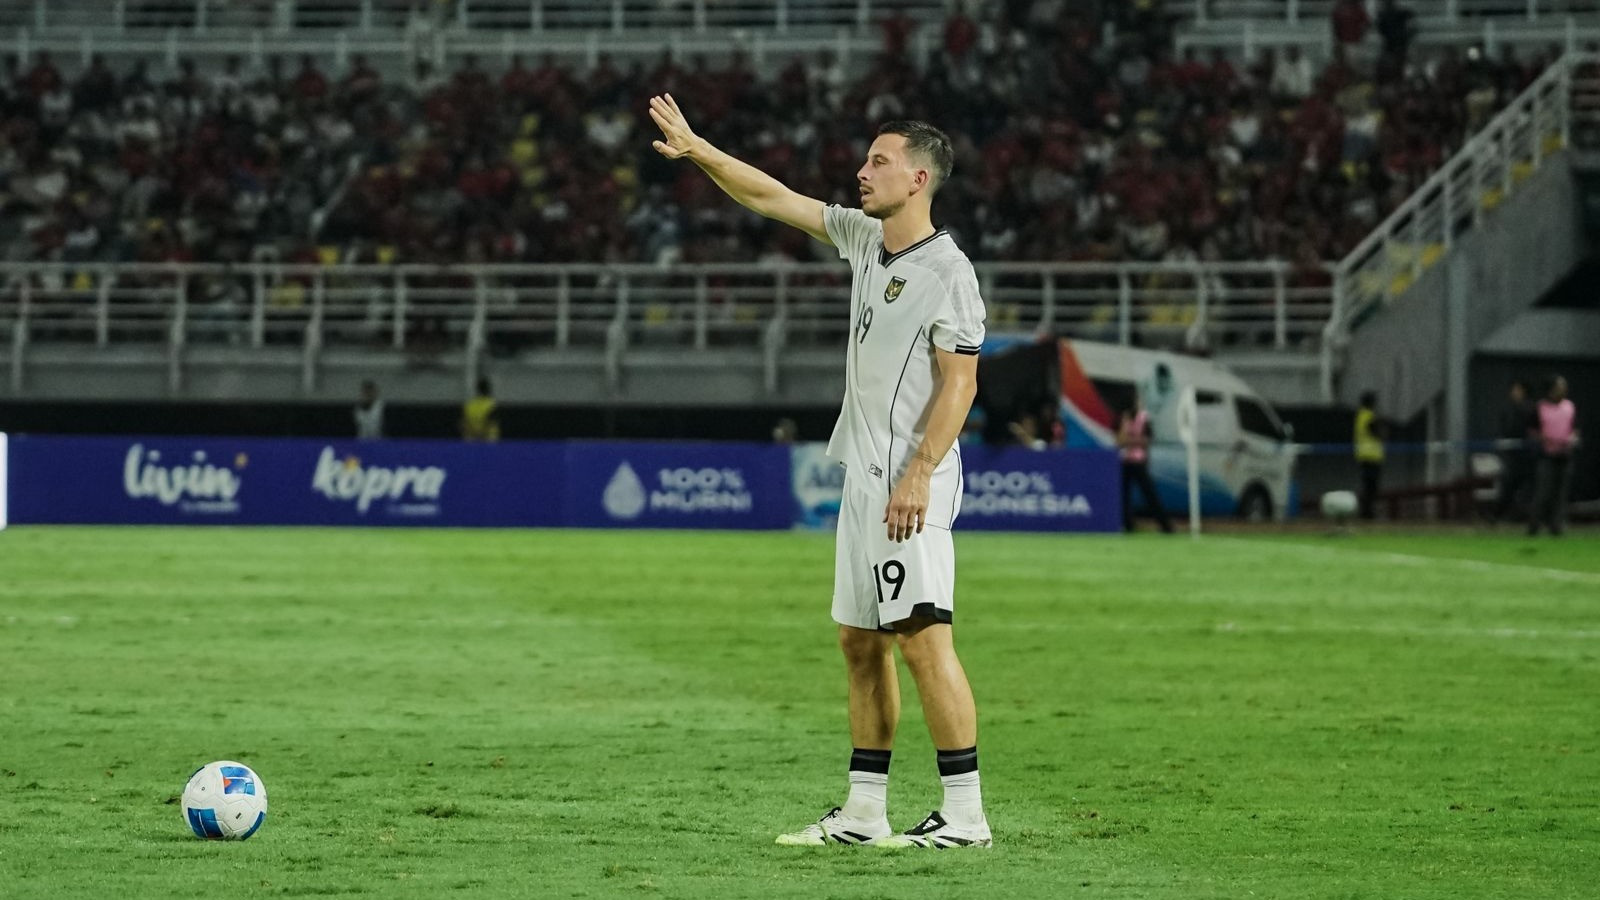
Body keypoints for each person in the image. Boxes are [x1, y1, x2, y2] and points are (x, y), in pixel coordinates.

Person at [649, 94, 991, 849]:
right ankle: (865, 812)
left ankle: (965, 815)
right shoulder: (867, 240)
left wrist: (919, 473)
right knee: (859, 640)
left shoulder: (948, 271)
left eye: (879, 161)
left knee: (922, 637)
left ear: (921, 178)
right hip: (865, 477)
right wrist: (701, 149)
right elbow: (772, 197)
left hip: (912, 483)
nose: (861, 172)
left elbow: (960, 383)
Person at [1528, 375, 1580, 536]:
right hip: (1547, 456)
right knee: (1543, 492)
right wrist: (1543, 439)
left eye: (1564, 386)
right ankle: (1534, 526)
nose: (1563, 389)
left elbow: (1576, 428)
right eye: (1559, 386)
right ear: (1551, 389)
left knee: (1561, 494)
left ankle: (1556, 526)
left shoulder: (1569, 407)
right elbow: (1532, 431)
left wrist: (1573, 438)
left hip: (1565, 456)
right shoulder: (1540, 407)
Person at [1117, 396, 1174, 534]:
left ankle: (1165, 526)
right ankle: (1127, 525)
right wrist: (1130, 438)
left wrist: (1130, 441)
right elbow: (1119, 440)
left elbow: (1146, 441)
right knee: (1123, 495)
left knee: (1149, 494)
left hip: (1139, 461)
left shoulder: (1144, 419)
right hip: (1125, 461)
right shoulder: (1123, 418)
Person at [1490, 379, 1535, 523]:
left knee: (1531, 488)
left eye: (1516, 389)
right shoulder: (1509, 409)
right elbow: (1505, 429)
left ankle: (1532, 518)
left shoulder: (1530, 408)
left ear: (1523, 391)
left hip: (1529, 456)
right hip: (1514, 456)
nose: (1513, 393)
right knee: (1509, 486)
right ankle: (1497, 516)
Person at [1354, 391, 1385, 520]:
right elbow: (1377, 433)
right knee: (1371, 488)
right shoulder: (1368, 416)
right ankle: (1367, 513)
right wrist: (1383, 432)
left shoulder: (1360, 416)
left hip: (1364, 455)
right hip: (1371, 457)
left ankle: (1366, 512)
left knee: (1368, 486)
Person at [460, 376, 501, 442]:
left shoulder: (469, 405)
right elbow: (491, 422)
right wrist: (481, 435)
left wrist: (473, 434)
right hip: (488, 440)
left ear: (477, 389)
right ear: (488, 389)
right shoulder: (492, 404)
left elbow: (463, 423)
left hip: (471, 440)